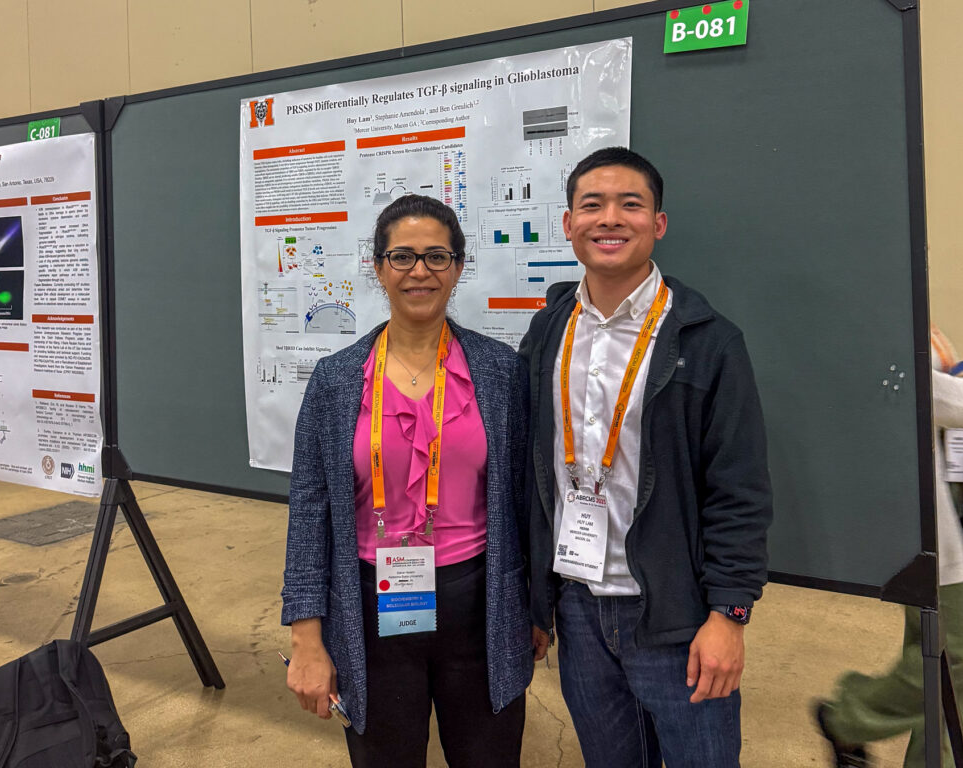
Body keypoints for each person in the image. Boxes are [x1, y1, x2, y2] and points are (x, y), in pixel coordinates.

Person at [520, 146, 773, 767]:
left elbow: (738, 489)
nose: (610, 219)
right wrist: (535, 603)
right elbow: (529, 475)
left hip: (675, 616)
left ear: (658, 223)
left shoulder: (707, 340)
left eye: (630, 205)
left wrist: (729, 614)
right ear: (568, 224)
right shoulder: (548, 330)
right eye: (592, 205)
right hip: (577, 606)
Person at [281, 195, 532, 768]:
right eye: (402, 256)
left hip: (483, 606)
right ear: (378, 267)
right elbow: (309, 513)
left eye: (437, 256)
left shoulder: (500, 372)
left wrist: (535, 610)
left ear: (459, 267)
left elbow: (524, 499)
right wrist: (306, 637)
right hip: (371, 608)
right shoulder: (337, 379)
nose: (420, 271)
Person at [815, 328, 963, 768]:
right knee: (958, 656)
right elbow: (913, 389)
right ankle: (847, 717)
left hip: (947, 504)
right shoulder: (876, 314)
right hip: (917, 513)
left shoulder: (906, 304)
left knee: (938, 658)